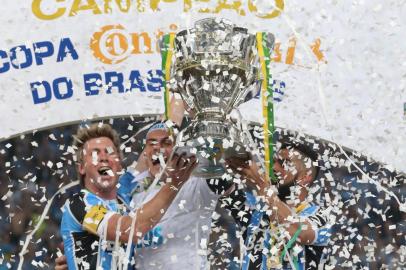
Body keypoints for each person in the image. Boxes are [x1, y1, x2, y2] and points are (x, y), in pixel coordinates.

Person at [59, 123, 197, 269]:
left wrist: (168, 119)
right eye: (94, 153)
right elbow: (130, 230)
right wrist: (173, 184)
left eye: (110, 152)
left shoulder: (125, 196)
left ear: (119, 164)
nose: (103, 157)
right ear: (81, 167)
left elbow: (151, 153)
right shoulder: (80, 204)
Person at [225, 146, 332, 269]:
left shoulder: (321, 215)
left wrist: (260, 183)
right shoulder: (256, 211)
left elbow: (297, 232)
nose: (274, 168)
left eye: (284, 163)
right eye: (274, 161)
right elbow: (220, 187)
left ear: (304, 177)